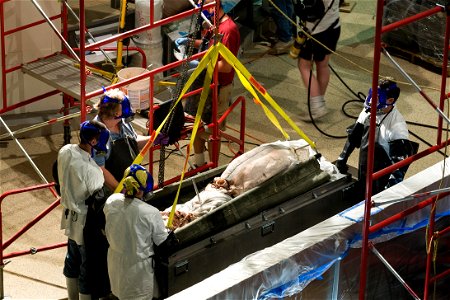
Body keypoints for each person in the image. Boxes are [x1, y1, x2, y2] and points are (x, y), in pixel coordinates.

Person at [175, 0, 241, 167]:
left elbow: (226, 66)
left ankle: (213, 167)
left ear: (216, 5)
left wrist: (201, 64)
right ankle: (199, 163)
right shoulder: (214, 25)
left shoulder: (229, 30)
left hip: (218, 89)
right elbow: (209, 47)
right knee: (195, 124)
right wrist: (190, 42)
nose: (200, 8)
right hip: (202, 82)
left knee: (212, 132)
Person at [335, 79, 418, 194]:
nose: (373, 100)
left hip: (382, 171)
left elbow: (399, 166)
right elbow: (355, 135)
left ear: (390, 100)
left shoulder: (397, 127)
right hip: (365, 162)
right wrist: (342, 158)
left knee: (375, 192)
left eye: (378, 97)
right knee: (363, 184)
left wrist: (388, 191)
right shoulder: (367, 110)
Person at [57, 120, 110, 299]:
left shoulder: (65, 151)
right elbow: (98, 199)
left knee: (71, 260)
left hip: (68, 216)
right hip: (85, 222)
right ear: (93, 142)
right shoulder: (93, 171)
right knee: (87, 267)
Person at [103, 164, 169, 300]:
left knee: (120, 295)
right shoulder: (150, 212)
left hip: (115, 263)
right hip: (137, 272)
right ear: (141, 191)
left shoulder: (111, 201)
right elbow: (162, 242)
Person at [93, 88, 150, 192]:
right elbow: (100, 169)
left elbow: (133, 141)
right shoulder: (97, 135)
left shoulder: (122, 122)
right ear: (116, 113)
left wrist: (152, 139)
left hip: (132, 184)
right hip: (113, 193)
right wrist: (122, 191)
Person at [294, 0, 341, 120]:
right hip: (333, 25)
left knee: (304, 66)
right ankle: (318, 101)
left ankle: (317, 106)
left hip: (316, 31)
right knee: (323, 65)